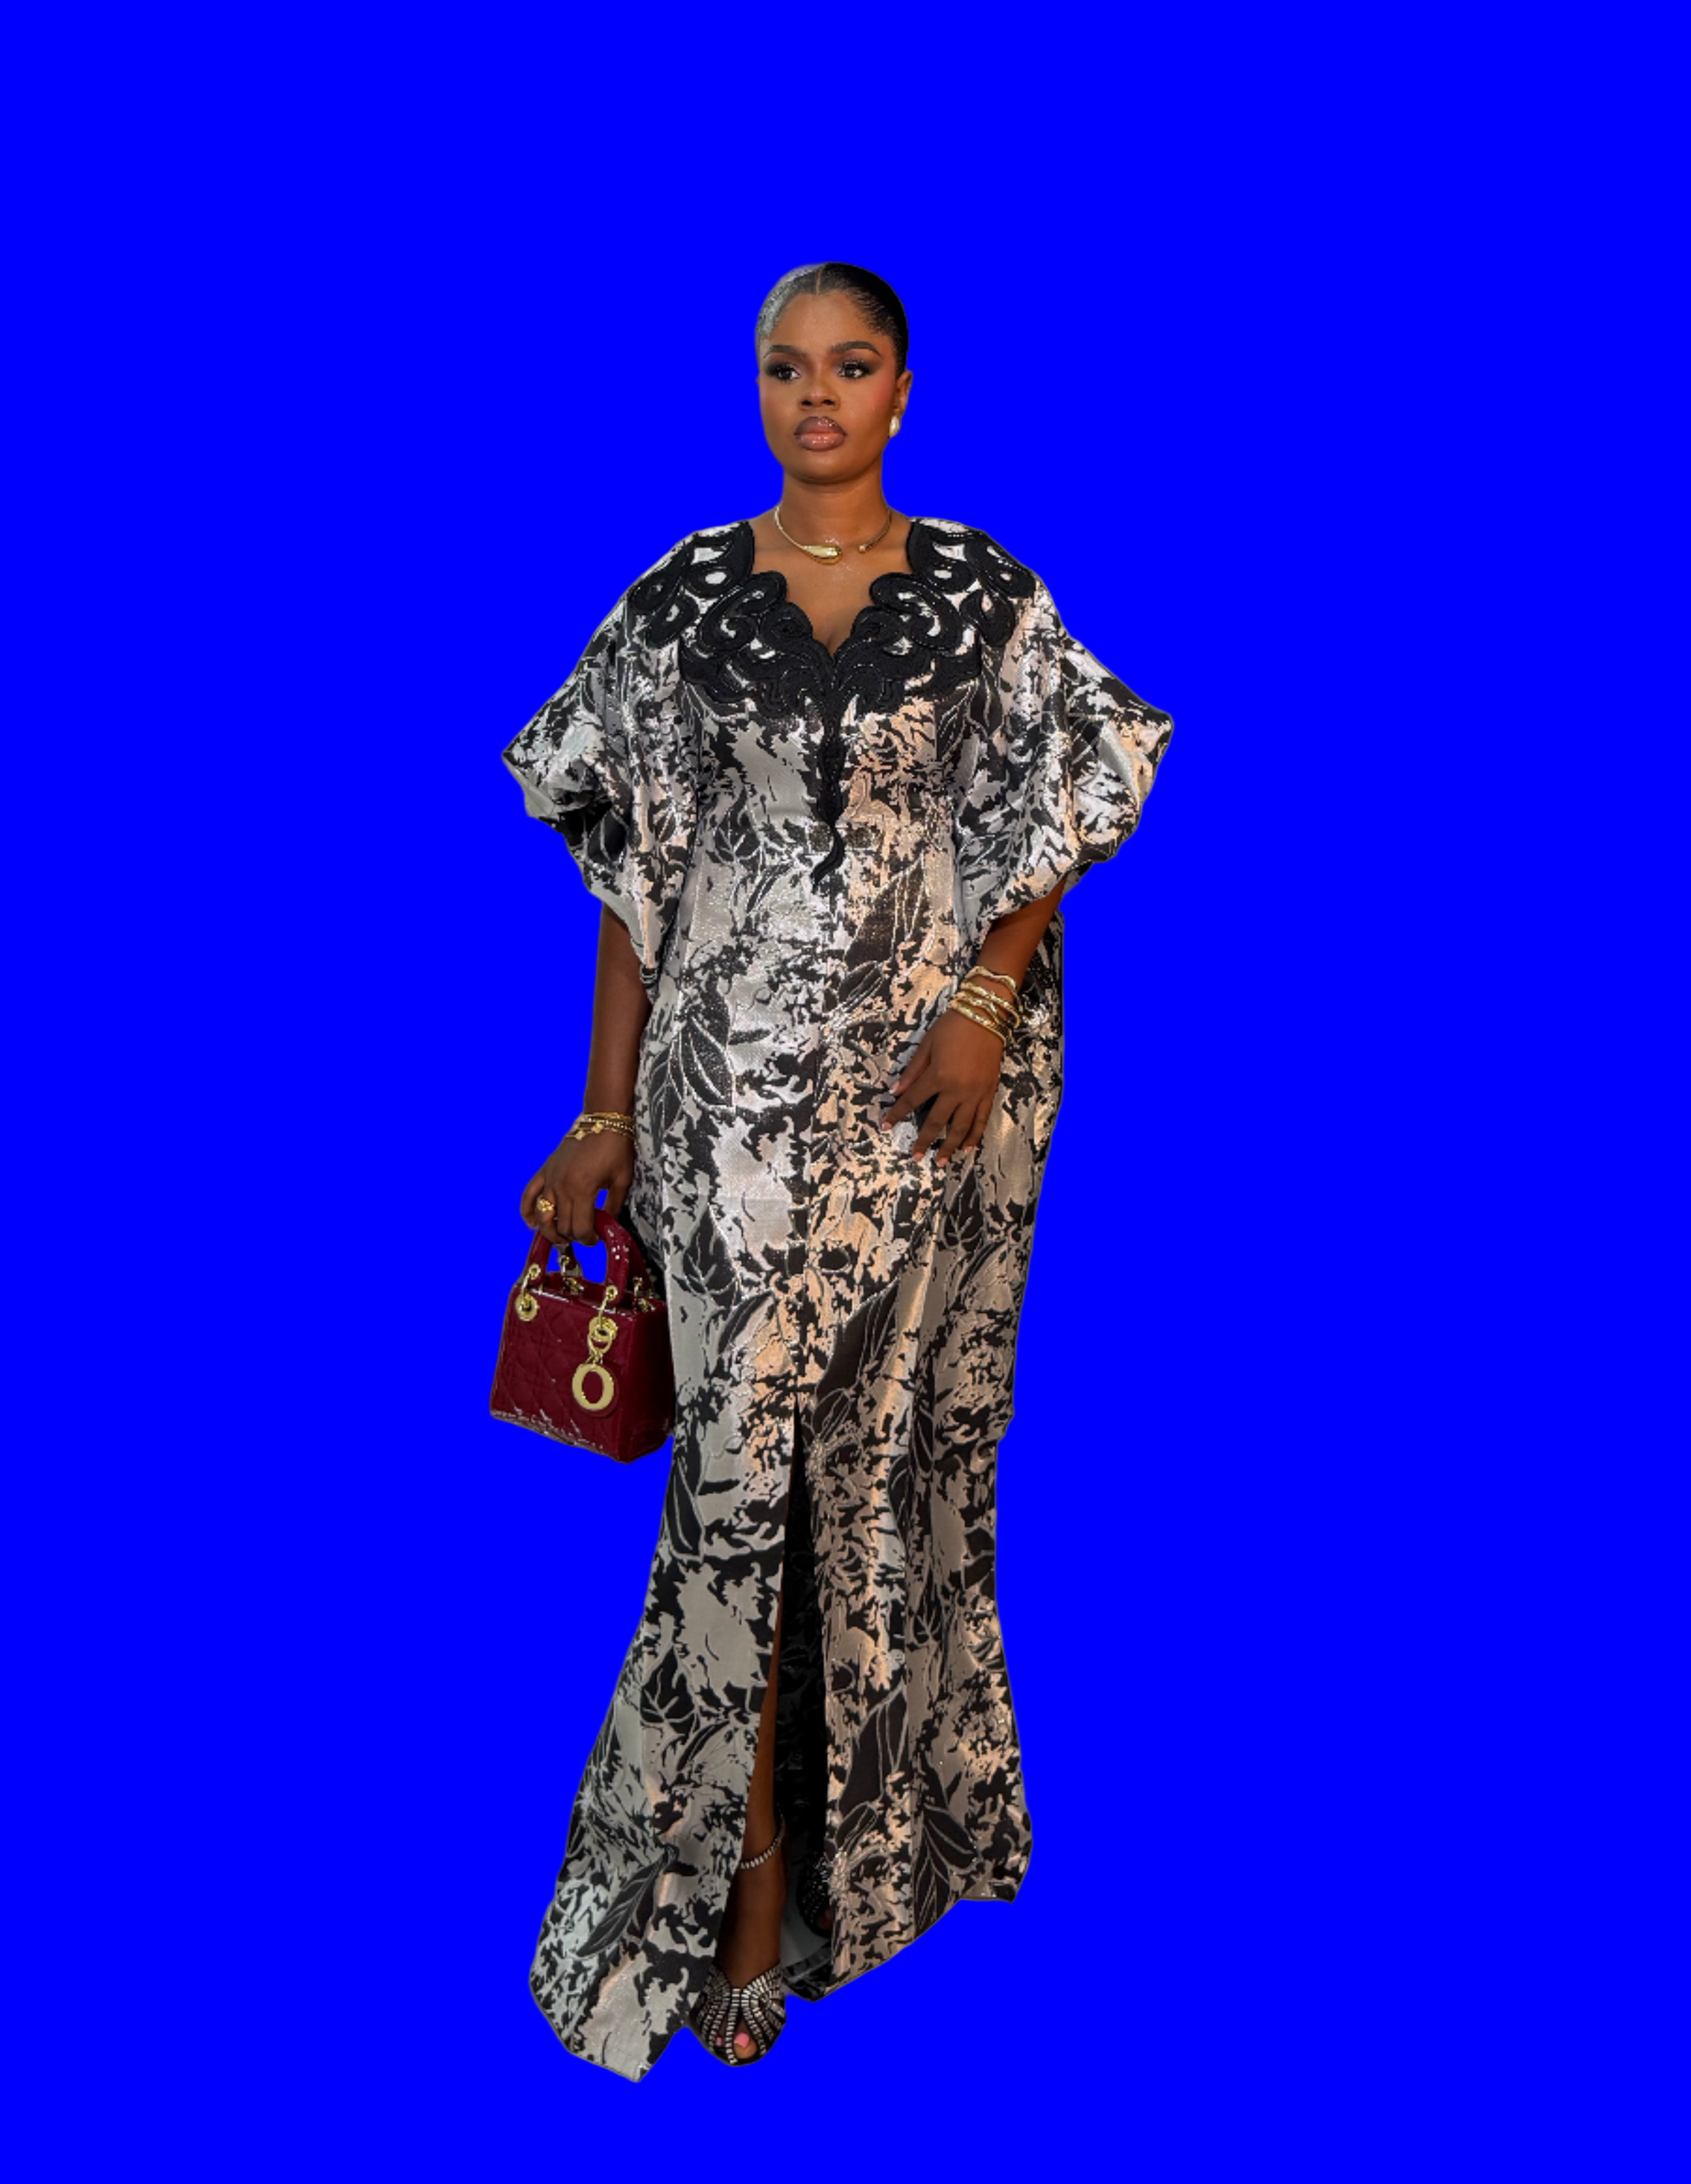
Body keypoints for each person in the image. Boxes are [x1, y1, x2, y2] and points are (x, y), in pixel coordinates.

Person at [502, 262, 1173, 2079]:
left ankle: (874, 1861)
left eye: (850, 365)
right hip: (722, 1111)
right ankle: (731, 1894)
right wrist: (605, 1112)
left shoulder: (980, 594)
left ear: (900, 391)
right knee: (735, 1483)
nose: (815, 396)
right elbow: (632, 879)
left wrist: (980, 1006)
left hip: (921, 1110)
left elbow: (1056, 811)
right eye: (785, 368)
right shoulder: (677, 599)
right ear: (758, 389)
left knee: (875, 1470)